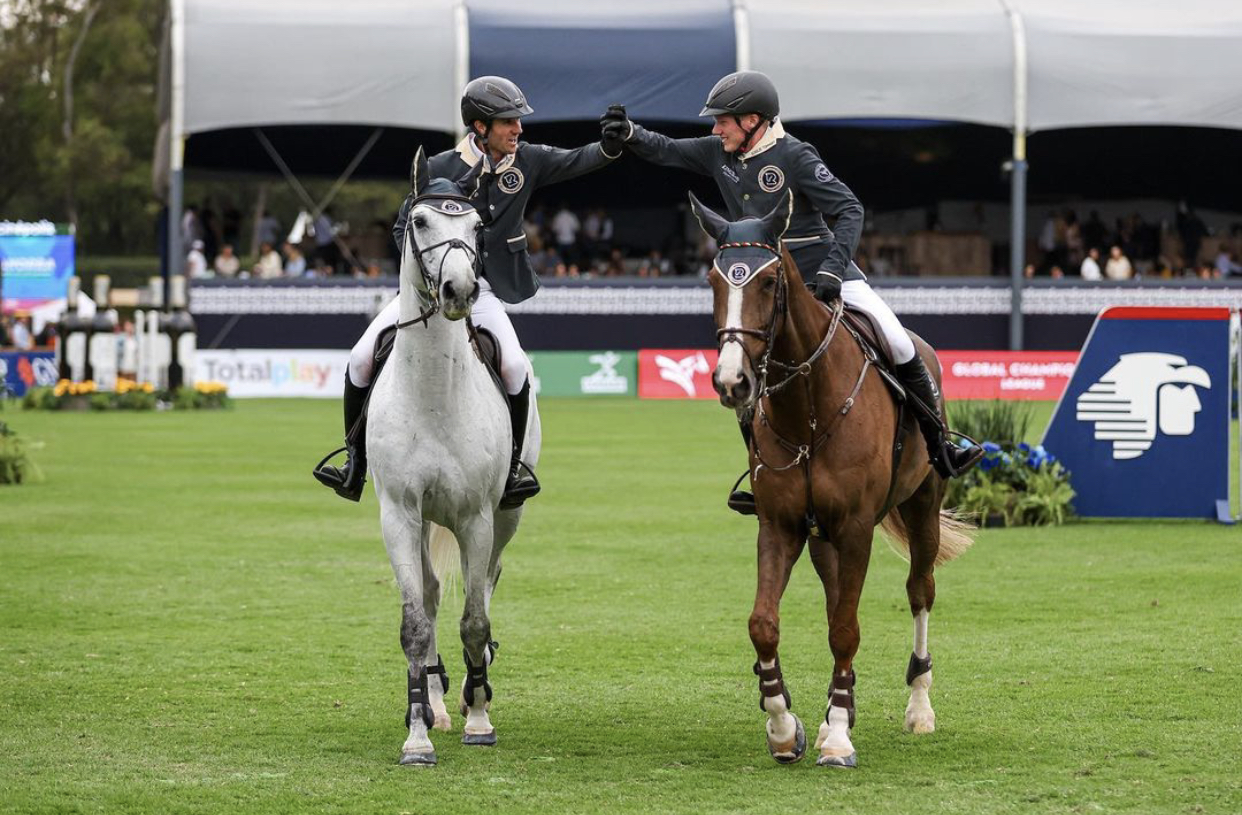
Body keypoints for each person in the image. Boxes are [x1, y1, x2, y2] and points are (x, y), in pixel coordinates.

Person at [600, 70, 982, 512]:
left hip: (823, 276)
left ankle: (940, 446)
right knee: (743, 369)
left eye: (723, 120)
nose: (714, 128)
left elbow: (849, 209)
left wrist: (835, 271)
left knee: (899, 342)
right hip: (768, 290)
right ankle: (760, 472)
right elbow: (666, 150)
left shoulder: (796, 156)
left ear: (753, 120)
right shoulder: (718, 153)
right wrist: (629, 133)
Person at [313, 76, 623, 504]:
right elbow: (404, 226)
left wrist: (609, 145)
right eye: (508, 122)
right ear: (480, 126)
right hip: (428, 290)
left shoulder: (526, 159)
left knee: (515, 367)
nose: (518, 130)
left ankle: (513, 470)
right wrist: (425, 271)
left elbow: (575, 160)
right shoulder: (439, 168)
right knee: (361, 357)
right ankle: (354, 463)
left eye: (518, 122)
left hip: (486, 291)